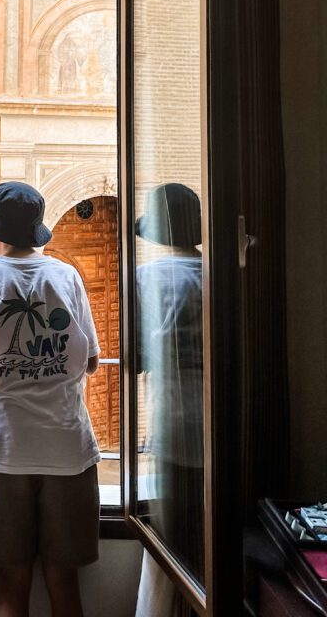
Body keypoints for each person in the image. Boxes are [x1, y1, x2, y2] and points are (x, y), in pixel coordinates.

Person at [0, 182, 101, 617]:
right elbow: (90, 361)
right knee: (65, 584)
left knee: (11, 585)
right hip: (69, 449)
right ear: (36, 231)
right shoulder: (66, 275)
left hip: (7, 449)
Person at [135, 182, 204, 581]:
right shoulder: (219, 274)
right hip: (219, 421)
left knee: (174, 541)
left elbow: (136, 356)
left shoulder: (148, 277)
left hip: (172, 420)